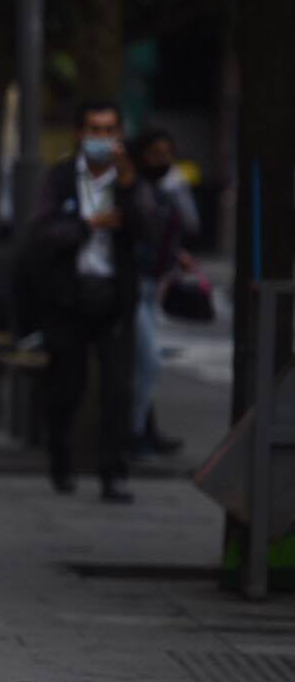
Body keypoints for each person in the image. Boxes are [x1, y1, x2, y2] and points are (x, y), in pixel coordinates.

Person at [26, 99, 156, 503]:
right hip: (68, 298)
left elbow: (147, 227)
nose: (103, 138)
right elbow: (42, 234)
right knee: (67, 385)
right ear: (80, 134)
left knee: (118, 388)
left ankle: (113, 473)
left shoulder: (127, 179)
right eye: (95, 130)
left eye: (110, 130)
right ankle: (61, 457)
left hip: (114, 298)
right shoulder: (62, 178)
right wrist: (88, 225)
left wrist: (131, 183)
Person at [128, 128, 196, 458]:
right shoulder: (134, 190)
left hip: (152, 286)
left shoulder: (164, 190)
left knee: (144, 362)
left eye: (168, 154)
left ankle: (142, 429)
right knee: (149, 361)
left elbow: (189, 223)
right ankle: (134, 432)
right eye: (155, 154)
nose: (163, 161)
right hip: (133, 287)